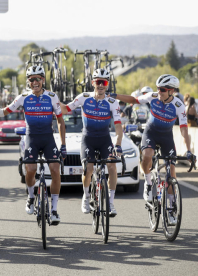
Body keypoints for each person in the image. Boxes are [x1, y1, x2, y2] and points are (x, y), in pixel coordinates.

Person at [0, 65, 66, 225]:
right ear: (28, 81)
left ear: (43, 80)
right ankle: (30, 197)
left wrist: (63, 144)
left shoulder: (52, 96)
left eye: (38, 79)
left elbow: (61, 121)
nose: (35, 82)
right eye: (32, 79)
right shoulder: (23, 97)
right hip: (31, 138)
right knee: (30, 170)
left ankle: (54, 210)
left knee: (56, 170)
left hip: (48, 138)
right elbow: (3, 111)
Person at [110, 74, 196, 225]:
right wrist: (115, 95)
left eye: (162, 89)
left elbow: (184, 130)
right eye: (158, 88)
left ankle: (170, 210)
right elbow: (134, 100)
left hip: (166, 137)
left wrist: (189, 150)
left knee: (171, 173)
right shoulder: (153, 97)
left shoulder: (179, 105)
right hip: (151, 132)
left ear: (171, 91)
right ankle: (149, 183)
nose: (159, 92)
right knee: (147, 156)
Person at [61, 68, 123, 217]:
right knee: (88, 168)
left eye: (104, 82)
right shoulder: (83, 97)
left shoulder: (112, 102)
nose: (101, 85)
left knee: (112, 167)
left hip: (104, 139)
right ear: (92, 83)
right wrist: (52, 104)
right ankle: (86, 196)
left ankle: (111, 203)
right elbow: (67, 109)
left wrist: (118, 144)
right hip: (88, 138)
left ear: (107, 84)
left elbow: (119, 126)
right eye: (98, 82)